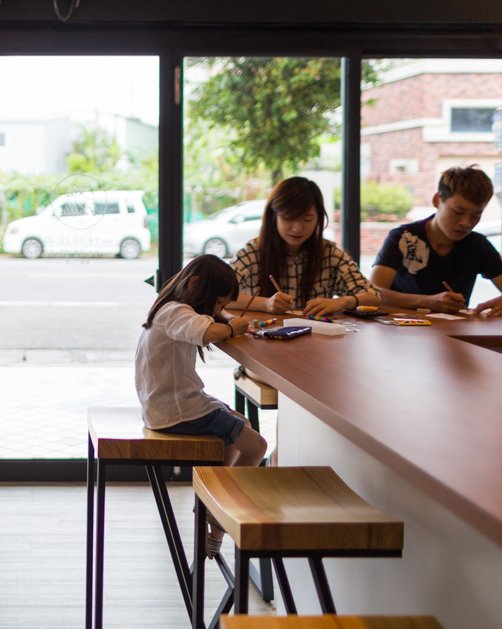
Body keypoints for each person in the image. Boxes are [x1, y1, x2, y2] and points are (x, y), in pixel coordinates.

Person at [135, 255, 268, 557]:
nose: (219, 312)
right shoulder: (175, 312)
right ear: (196, 286)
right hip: (176, 411)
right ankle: (221, 508)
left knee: (239, 424)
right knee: (256, 446)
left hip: (171, 405)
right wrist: (233, 326)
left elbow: (207, 324)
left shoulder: (169, 309)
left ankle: (213, 506)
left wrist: (225, 320)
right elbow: (208, 331)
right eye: (218, 304)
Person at [228, 176, 380, 316]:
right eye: (289, 218)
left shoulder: (330, 254)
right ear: (274, 216)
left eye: (307, 219)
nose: (297, 228)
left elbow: (373, 296)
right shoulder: (252, 253)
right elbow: (215, 295)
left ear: (319, 219)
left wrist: (341, 302)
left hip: (315, 342)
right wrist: (265, 304)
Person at [370, 166, 502, 316]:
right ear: (437, 200)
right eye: (458, 212)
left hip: (453, 333)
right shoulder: (403, 237)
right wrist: (426, 301)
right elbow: (372, 293)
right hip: (401, 330)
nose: (466, 223)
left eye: (475, 216)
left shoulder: (478, 246)